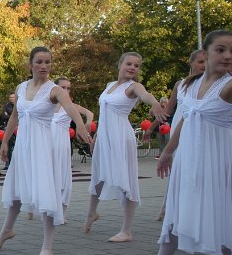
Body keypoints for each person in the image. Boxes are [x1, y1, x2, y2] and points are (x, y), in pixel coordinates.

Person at [150, 30, 232, 255]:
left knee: (226, 220)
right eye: (221, 50)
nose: (228, 56)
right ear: (206, 53)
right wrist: (167, 152)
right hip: (189, 158)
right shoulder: (190, 85)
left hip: (222, 160)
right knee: (177, 210)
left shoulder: (231, 85)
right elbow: (185, 120)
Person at [0, 46, 93, 255]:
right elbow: (14, 118)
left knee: (46, 193)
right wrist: (4, 141)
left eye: (47, 62)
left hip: (42, 146)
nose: (43, 66)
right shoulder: (21, 87)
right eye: (39, 62)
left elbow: (71, 109)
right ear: (30, 64)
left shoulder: (55, 90)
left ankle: (47, 247)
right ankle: (6, 230)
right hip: (22, 146)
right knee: (16, 189)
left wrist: (81, 125)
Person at [83, 53, 167, 242]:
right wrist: (97, 137)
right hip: (105, 137)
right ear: (120, 64)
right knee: (97, 175)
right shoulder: (109, 86)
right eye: (129, 63)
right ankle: (91, 213)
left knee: (126, 180)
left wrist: (154, 103)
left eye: (137, 65)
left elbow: (145, 95)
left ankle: (127, 230)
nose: (132, 67)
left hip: (121, 137)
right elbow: (104, 113)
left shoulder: (133, 86)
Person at [156, 49, 207, 221]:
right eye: (201, 61)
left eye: (207, 62)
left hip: (199, 131)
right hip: (179, 130)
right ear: (191, 63)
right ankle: (168, 207)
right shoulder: (181, 84)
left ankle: (193, 209)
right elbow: (168, 110)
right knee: (176, 169)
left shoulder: (210, 84)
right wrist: (151, 127)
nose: (204, 65)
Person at [51, 78, 93, 219]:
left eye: (69, 88)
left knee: (63, 176)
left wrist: (87, 124)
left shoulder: (70, 106)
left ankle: (62, 212)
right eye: (63, 87)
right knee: (48, 176)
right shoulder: (46, 104)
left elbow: (89, 114)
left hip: (62, 145)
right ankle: (46, 208)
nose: (66, 91)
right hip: (47, 145)